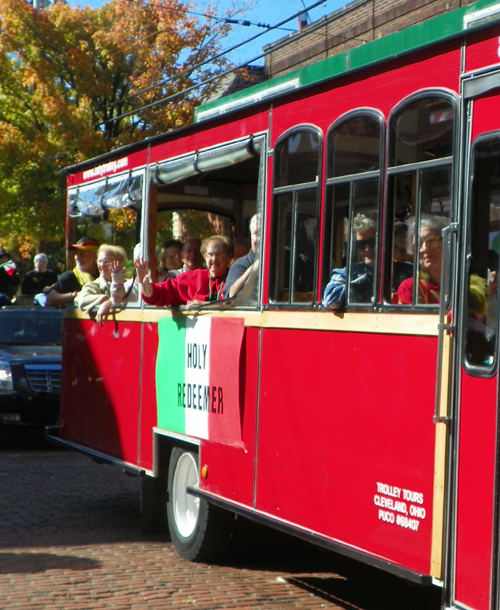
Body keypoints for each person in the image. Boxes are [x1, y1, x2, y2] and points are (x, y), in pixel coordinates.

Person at [136, 235, 233, 308]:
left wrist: (204, 305)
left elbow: (237, 304)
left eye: (219, 254)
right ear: (205, 256)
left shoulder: (235, 277)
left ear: (229, 257)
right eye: (210, 255)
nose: (214, 259)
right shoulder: (194, 278)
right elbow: (164, 292)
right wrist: (146, 287)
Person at [322, 213, 377, 309]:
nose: (367, 249)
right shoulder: (346, 274)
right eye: (361, 244)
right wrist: (363, 282)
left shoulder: (404, 270)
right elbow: (330, 300)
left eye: (372, 243)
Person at [397, 215, 448, 305]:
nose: (424, 249)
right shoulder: (411, 287)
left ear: (446, 243)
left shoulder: (464, 282)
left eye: (431, 241)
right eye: (418, 244)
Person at [75, 244, 128, 326]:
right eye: (99, 261)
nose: (102, 266)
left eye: (106, 262)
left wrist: (109, 303)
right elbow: (82, 300)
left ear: (119, 263)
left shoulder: (129, 284)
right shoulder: (93, 286)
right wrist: (107, 300)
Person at [46, 237, 99, 307]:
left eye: (82, 255)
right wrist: (75, 295)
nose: (77, 258)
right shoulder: (69, 276)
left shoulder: (104, 274)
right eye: (76, 254)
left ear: (95, 257)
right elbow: (50, 299)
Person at [223, 215, 258, 299]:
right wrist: (253, 270)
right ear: (251, 237)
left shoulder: (290, 261)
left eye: (267, 233)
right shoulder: (241, 265)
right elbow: (231, 296)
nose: (263, 238)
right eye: (257, 234)